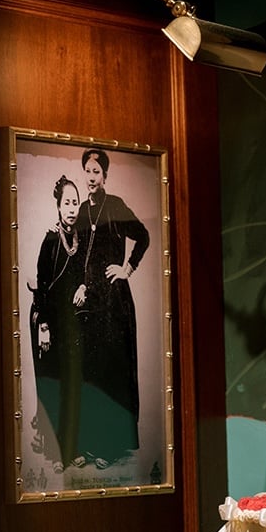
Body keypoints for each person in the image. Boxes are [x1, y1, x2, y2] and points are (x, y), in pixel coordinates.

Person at [75, 146, 150, 469]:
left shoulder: (115, 205)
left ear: (105, 175)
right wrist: (80, 284)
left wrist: (127, 268)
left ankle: (111, 446)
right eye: (88, 172)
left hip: (114, 303)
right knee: (90, 372)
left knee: (110, 374)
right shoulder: (80, 210)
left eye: (96, 172)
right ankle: (90, 445)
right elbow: (80, 256)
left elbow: (143, 235)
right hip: (90, 303)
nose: (91, 177)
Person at [28, 174, 86, 472]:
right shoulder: (51, 241)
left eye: (76, 202)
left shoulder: (82, 239)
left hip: (74, 325)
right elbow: (42, 285)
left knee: (75, 386)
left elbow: (86, 273)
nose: (72, 208)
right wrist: (45, 327)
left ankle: (72, 448)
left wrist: (83, 287)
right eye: (67, 203)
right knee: (57, 387)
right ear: (58, 206)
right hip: (52, 324)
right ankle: (56, 453)